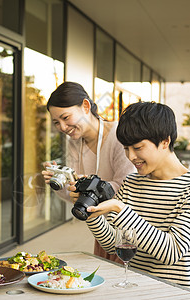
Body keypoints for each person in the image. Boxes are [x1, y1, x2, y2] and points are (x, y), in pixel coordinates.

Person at [80, 101, 190, 287]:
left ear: (165, 141)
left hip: (172, 292)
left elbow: (172, 252)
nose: (130, 157)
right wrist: (91, 212)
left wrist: (120, 209)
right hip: (132, 288)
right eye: (126, 148)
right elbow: (113, 245)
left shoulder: (187, 189)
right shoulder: (131, 183)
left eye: (138, 148)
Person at [42, 81, 135, 261]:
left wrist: (90, 187)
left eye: (66, 117)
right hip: (100, 227)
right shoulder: (74, 142)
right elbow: (75, 194)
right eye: (56, 122)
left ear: (85, 106)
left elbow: (127, 187)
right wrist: (60, 181)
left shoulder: (119, 135)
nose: (62, 127)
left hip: (128, 228)